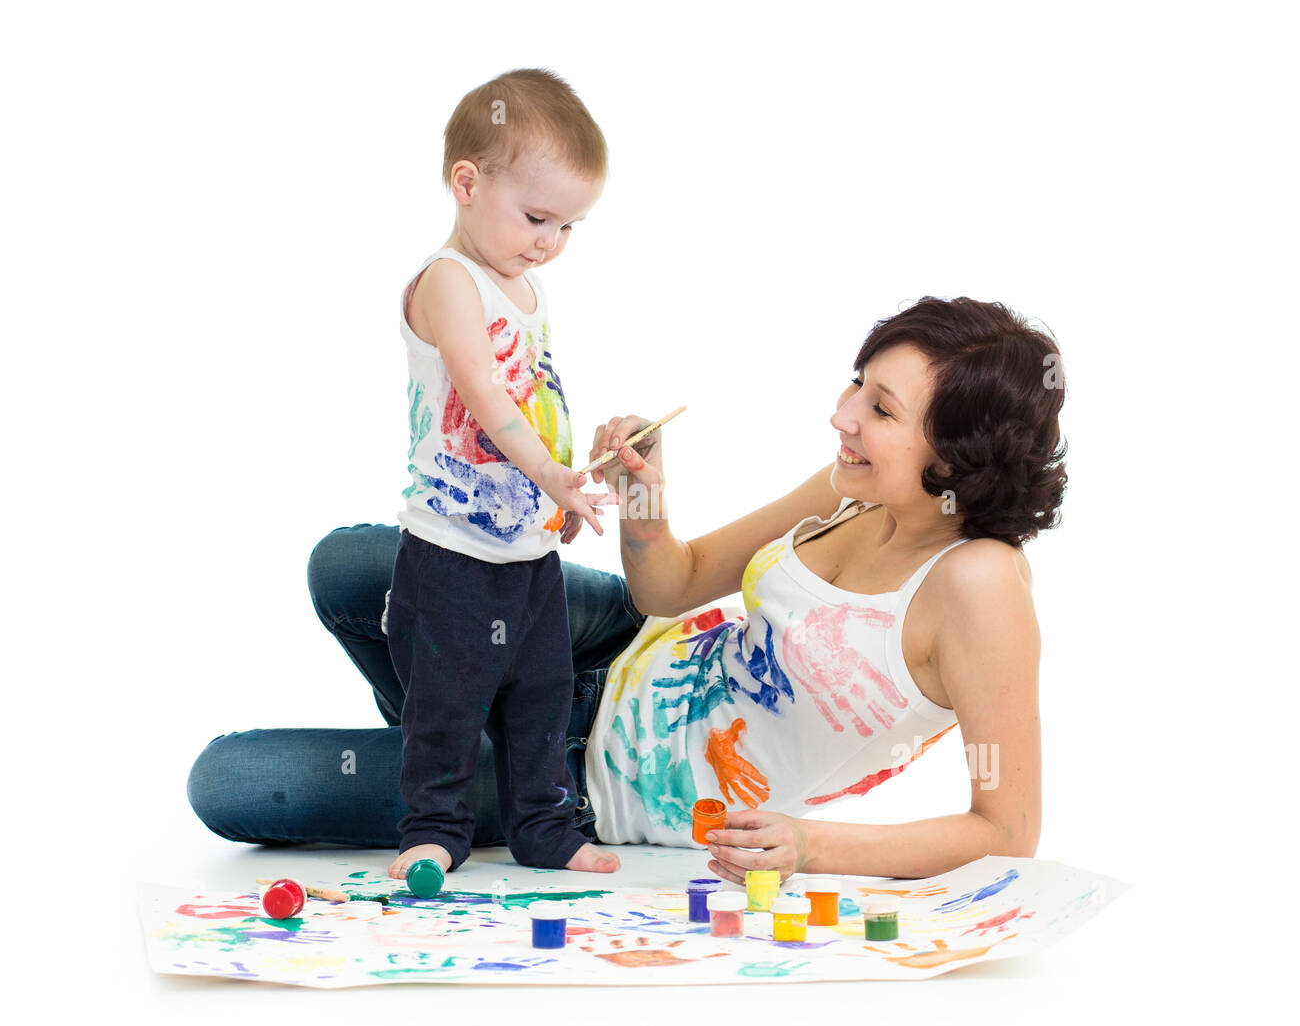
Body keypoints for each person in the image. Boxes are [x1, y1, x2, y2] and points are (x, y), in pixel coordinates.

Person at [187, 296, 1066, 883]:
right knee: (345, 567)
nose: (843, 415)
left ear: (954, 459)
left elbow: (1008, 827)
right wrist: (643, 485)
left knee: (230, 783)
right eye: (857, 383)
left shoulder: (977, 586)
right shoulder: (851, 484)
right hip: (605, 645)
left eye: (880, 408)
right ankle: (464, 717)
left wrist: (809, 844)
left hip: (585, 785)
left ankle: (463, 727)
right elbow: (669, 586)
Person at [383, 67, 620, 881]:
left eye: (568, 226)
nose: (550, 240)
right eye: (536, 217)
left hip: (526, 554)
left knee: (542, 695)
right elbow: (484, 396)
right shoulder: (450, 281)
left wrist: (566, 474)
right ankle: (435, 828)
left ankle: (542, 825)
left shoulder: (525, 283)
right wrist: (553, 476)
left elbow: (535, 396)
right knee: (445, 704)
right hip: (452, 552)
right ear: (467, 182)